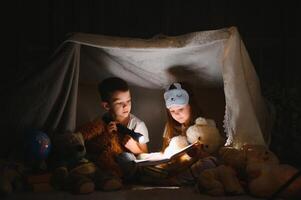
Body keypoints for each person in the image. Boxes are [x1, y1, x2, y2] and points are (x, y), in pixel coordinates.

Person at [77, 77, 149, 182]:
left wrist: (135, 149)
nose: (126, 106)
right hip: (105, 160)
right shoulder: (102, 121)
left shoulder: (138, 125)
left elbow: (146, 157)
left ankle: (112, 178)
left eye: (128, 101)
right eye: (119, 103)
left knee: (126, 157)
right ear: (107, 105)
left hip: (126, 166)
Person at [161, 82, 220, 185]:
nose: (177, 114)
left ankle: (179, 179)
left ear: (190, 105)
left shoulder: (203, 126)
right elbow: (165, 151)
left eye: (180, 109)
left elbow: (213, 149)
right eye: (172, 111)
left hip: (195, 164)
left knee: (210, 163)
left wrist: (200, 154)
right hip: (176, 165)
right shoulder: (169, 127)